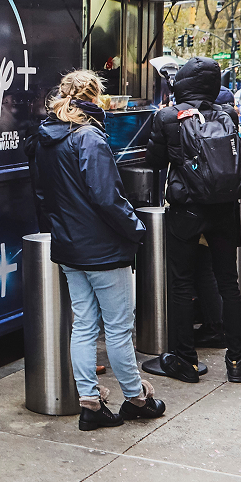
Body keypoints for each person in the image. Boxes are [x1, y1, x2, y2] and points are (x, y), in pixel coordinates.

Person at [34, 70, 163, 431]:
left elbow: (44, 196)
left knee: (85, 325)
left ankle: (90, 403)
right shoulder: (89, 136)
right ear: (95, 97)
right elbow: (108, 196)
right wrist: (136, 230)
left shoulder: (46, 137)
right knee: (119, 329)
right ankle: (137, 398)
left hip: (69, 246)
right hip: (103, 248)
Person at [146, 57, 241, 384]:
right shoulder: (228, 114)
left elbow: (154, 161)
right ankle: (236, 361)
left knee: (181, 282)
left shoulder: (168, 117)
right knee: (228, 284)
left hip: (187, 209)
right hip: (224, 208)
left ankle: (186, 361)